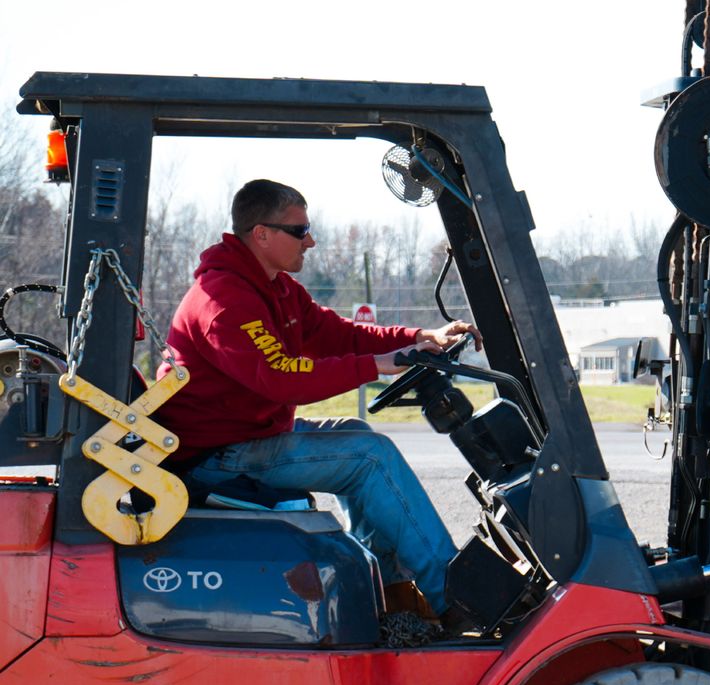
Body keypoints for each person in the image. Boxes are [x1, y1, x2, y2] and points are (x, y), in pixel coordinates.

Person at [155, 178, 480, 619]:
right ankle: (459, 601)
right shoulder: (224, 301)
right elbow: (281, 377)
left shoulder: (275, 287)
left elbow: (337, 333)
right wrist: (377, 365)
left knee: (358, 434)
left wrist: (419, 337)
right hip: (216, 455)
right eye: (299, 230)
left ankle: (391, 595)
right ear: (262, 234)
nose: (310, 241)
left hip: (250, 436)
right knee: (370, 457)